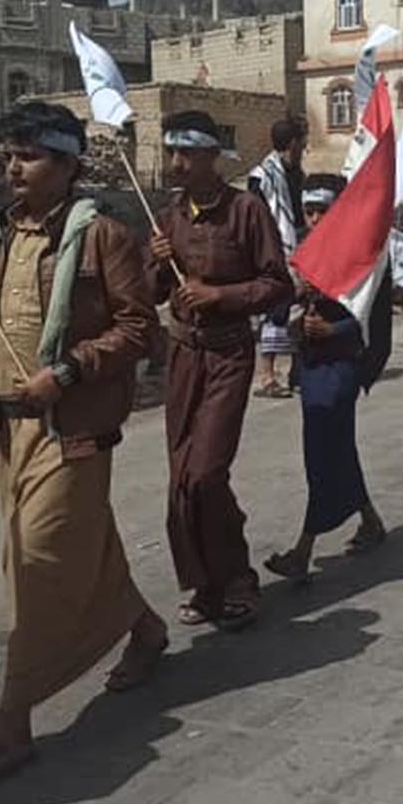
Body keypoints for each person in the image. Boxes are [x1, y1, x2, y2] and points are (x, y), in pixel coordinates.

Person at [0, 101, 165, 788]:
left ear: (69, 165)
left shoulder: (101, 235)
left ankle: (12, 723)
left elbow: (139, 332)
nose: (13, 167)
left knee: (38, 565)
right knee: (75, 546)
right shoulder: (3, 234)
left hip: (73, 427)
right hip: (12, 424)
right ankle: (144, 627)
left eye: (30, 155)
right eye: (8, 154)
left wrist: (68, 371)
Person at [147, 111, 292, 630]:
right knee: (181, 478)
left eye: (185, 153)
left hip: (230, 354)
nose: (175, 164)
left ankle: (236, 576)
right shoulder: (169, 217)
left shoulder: (246, 211)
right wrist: (154, 261)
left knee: (206, 472)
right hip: (184, 356)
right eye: (170, 153)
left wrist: (221, 295)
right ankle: (204, 583)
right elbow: (151, 295)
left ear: (212, 156)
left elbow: (279, 286)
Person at [261, 178, 392, 584]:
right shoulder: (302, 251)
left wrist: (332, 332)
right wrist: (296, 292)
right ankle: (370, 519)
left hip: (342, 366)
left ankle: (303, 549)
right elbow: (278, 311)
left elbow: (374, 322)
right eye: (309, 211)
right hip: (311, 367)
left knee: (321, 452)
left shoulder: (364, 254)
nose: (316, 219)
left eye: (323, 211)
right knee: (335, 447)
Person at [248, 117, 306, 398]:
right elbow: (255, 218)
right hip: (272, 249)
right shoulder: (262, 176)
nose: (304, 147)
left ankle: (297, 370)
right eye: (302, 142)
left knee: (302, 306)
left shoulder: (295, 173)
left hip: (298, 247)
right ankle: (266, 375)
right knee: (274, 310)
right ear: (294, 143)